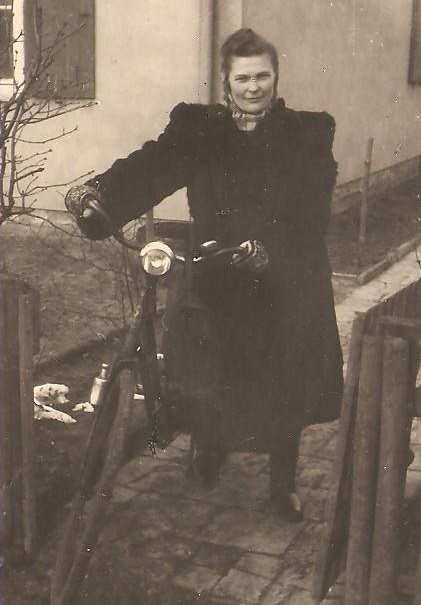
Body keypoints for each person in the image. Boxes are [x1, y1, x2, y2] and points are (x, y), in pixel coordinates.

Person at [65, 28, 344, 522]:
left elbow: (312, 209)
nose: (254, 87)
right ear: (225, 82)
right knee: (213, 371)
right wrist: (101, 194)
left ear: (276, 78)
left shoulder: (307, 134)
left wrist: (270, 248)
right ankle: (210, 451)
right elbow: (154, 165)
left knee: (283, 380)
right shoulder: (200, 130)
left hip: (285, 274)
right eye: (243, 78)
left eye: (263, 76)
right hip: (219, 271)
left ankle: (282, 484)